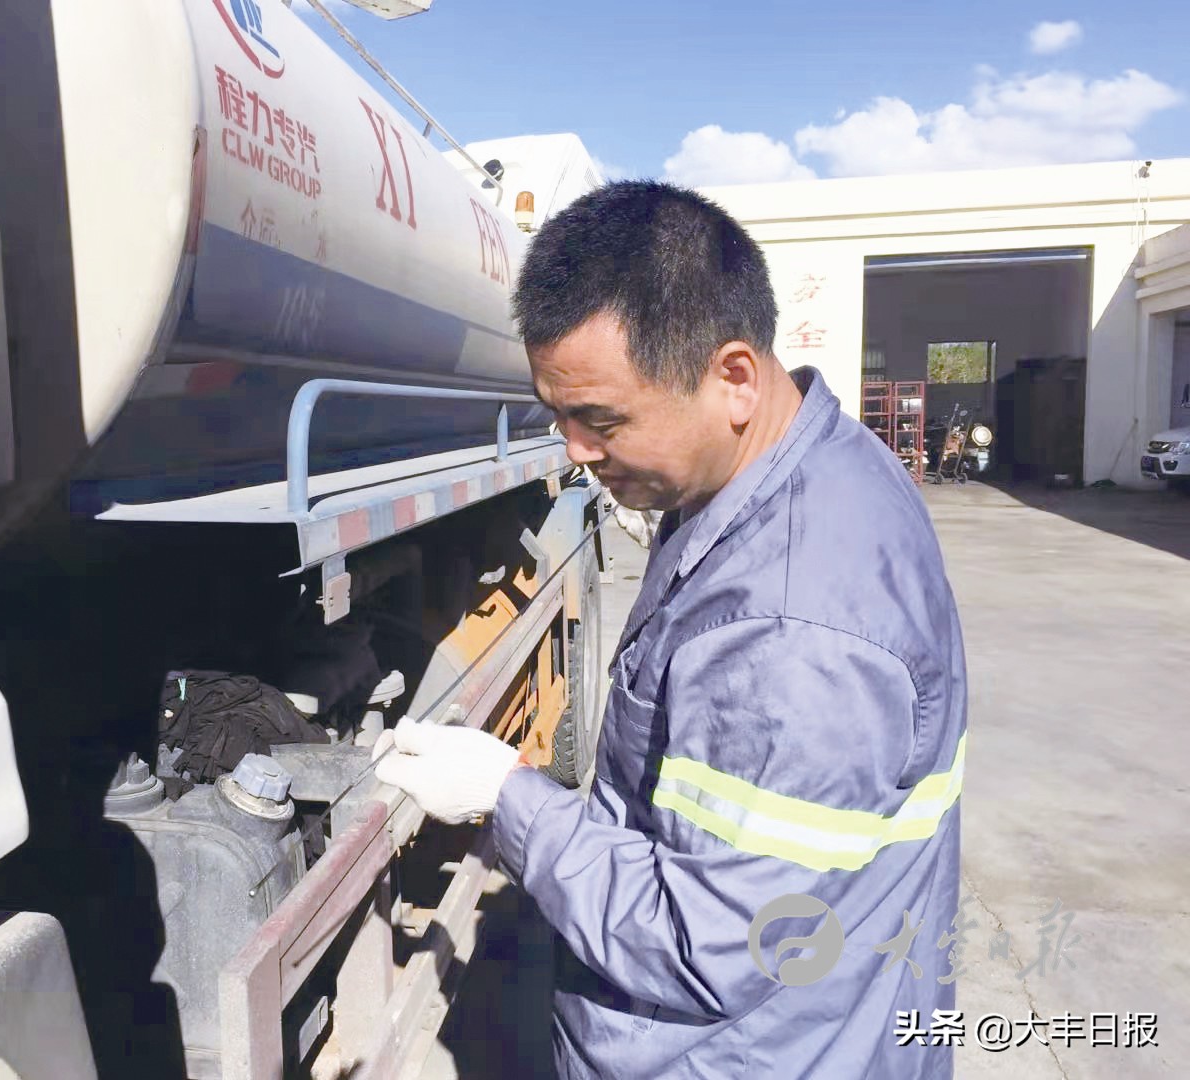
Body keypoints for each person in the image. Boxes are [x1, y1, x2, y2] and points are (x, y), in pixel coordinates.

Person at [375, 180, 966, 1078]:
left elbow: (711, 943)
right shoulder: (798, 470)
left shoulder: (792, 631)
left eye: (600, 419)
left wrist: (512, 798)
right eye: (558, 415)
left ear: (732, 377)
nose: (574, 448)